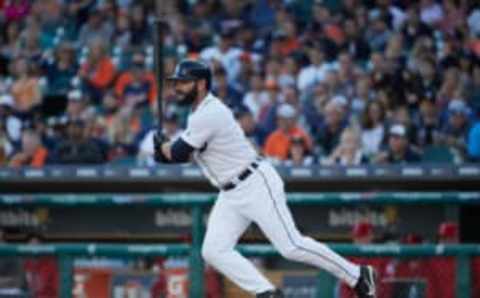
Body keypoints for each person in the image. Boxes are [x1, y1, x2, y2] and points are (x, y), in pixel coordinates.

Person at [153, 59, 376, 298]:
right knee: (213, 250)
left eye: (183, 83)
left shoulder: (210, 112)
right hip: (230, 192)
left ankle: (358, 275)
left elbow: (177, 153)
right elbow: (183, 155)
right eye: (176, 83)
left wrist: (164, 147)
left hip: (255, 182)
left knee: (291, 246)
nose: (177, 88)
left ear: (201, 84)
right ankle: (266, 292)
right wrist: (164, 150)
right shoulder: (198, 114)